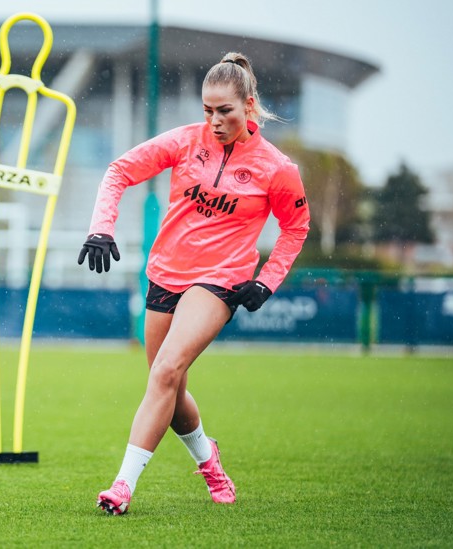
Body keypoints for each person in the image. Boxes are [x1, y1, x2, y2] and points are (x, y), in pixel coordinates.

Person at [78, 52, 310, 514]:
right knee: (170, 384)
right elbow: (119, 170)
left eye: (225, 110)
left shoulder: (276, 167)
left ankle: (122, 486)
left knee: (164, 373)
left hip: (221, 281)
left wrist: (265, 282)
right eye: (208, 110)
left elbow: (295, 228)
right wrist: (101, 227)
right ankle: (209, 460)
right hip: (165, 275)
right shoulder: (186, 142)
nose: (216, 120)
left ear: (249, 105)